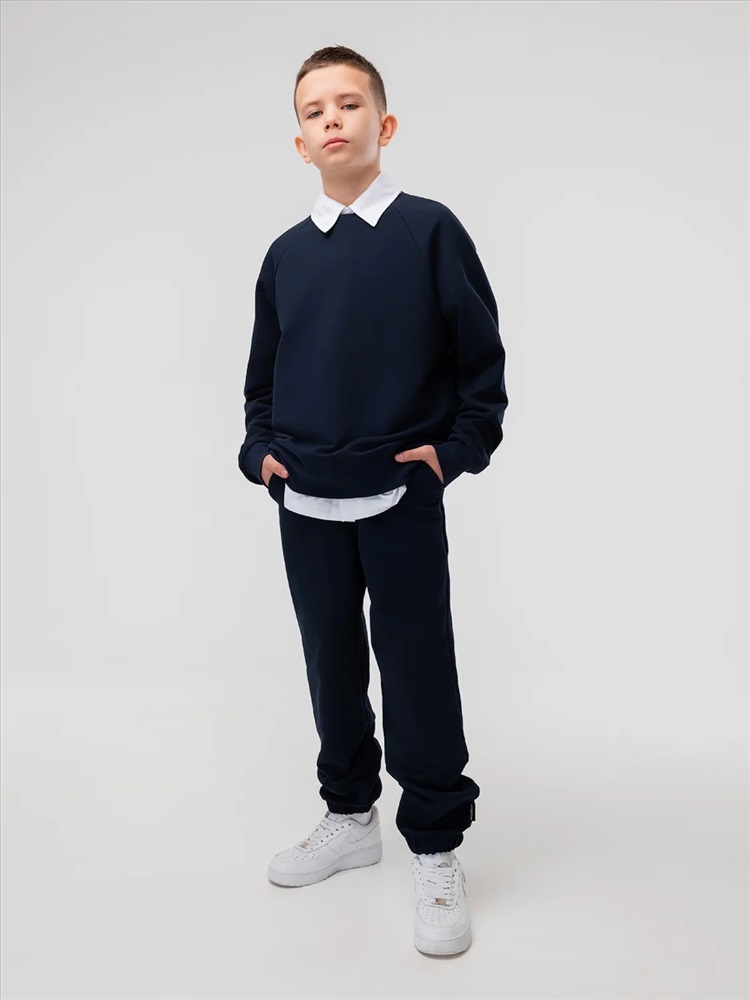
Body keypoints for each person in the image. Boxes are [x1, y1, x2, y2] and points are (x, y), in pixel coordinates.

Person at [237, 44, 508, 957]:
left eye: (349, 104)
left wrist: (452, 455)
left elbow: (482, 368)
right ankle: (351, 816)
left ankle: (434, 846)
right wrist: (261, 455)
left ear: (383, 125)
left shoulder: (429, 231)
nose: (333, 119)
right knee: (331, 664)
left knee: (418, 668)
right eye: (314, 111)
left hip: (399, 495)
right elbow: (262, 380)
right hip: (306, 502)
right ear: (300, 142)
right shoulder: (285, 256)